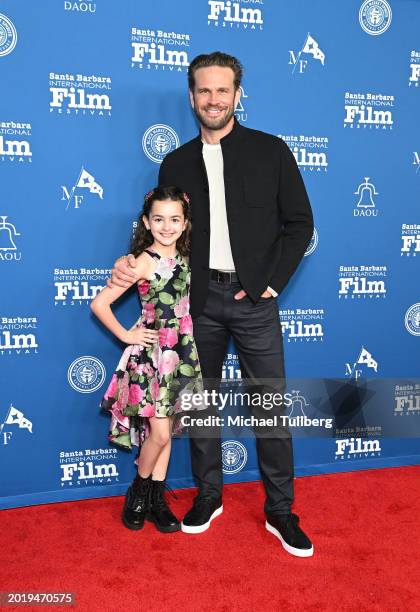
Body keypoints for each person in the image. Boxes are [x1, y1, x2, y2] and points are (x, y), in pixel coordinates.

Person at [110, 52, 315, 557]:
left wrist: (270, 283)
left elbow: (300, 224)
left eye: (223, 90)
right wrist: (129, 261)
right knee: (199, 408)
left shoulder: (272, 151)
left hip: (254, 301)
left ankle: (281, 510)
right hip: (194, 304)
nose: (214, 99)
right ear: (192, 97)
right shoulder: (175, 162)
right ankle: (207, 496)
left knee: (269, 407)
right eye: (204, 91)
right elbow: (164, 232)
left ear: (238, 95)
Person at [91, 186, 203, 534]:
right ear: (146, 222)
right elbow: (100, 304)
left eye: (174, 219)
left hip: (181, 353)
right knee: (160, 433)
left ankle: (155, 499)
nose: (166, 226)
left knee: (166, 431)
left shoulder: (186, 258)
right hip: (153, 357)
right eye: (158, 219)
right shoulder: (142, 261)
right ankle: (138, 491)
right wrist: (128, 334)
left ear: (185, 223)